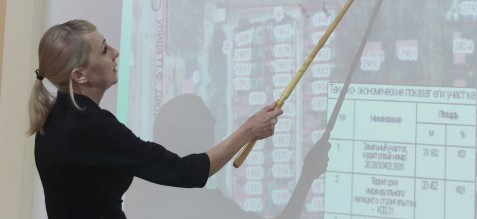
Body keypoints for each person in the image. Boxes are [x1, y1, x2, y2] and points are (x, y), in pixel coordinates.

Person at [28, 20, 283, 219]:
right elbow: (186, 172)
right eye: (104, 50)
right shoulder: (91, 127)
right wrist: (249, 130)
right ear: (79, 75)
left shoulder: (54, 119)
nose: (115, 52)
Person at [124, 94, 331, 219]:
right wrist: (307, 176)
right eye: (204, 120)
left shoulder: (135, 187)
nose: (214, 121)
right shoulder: (203, 206)